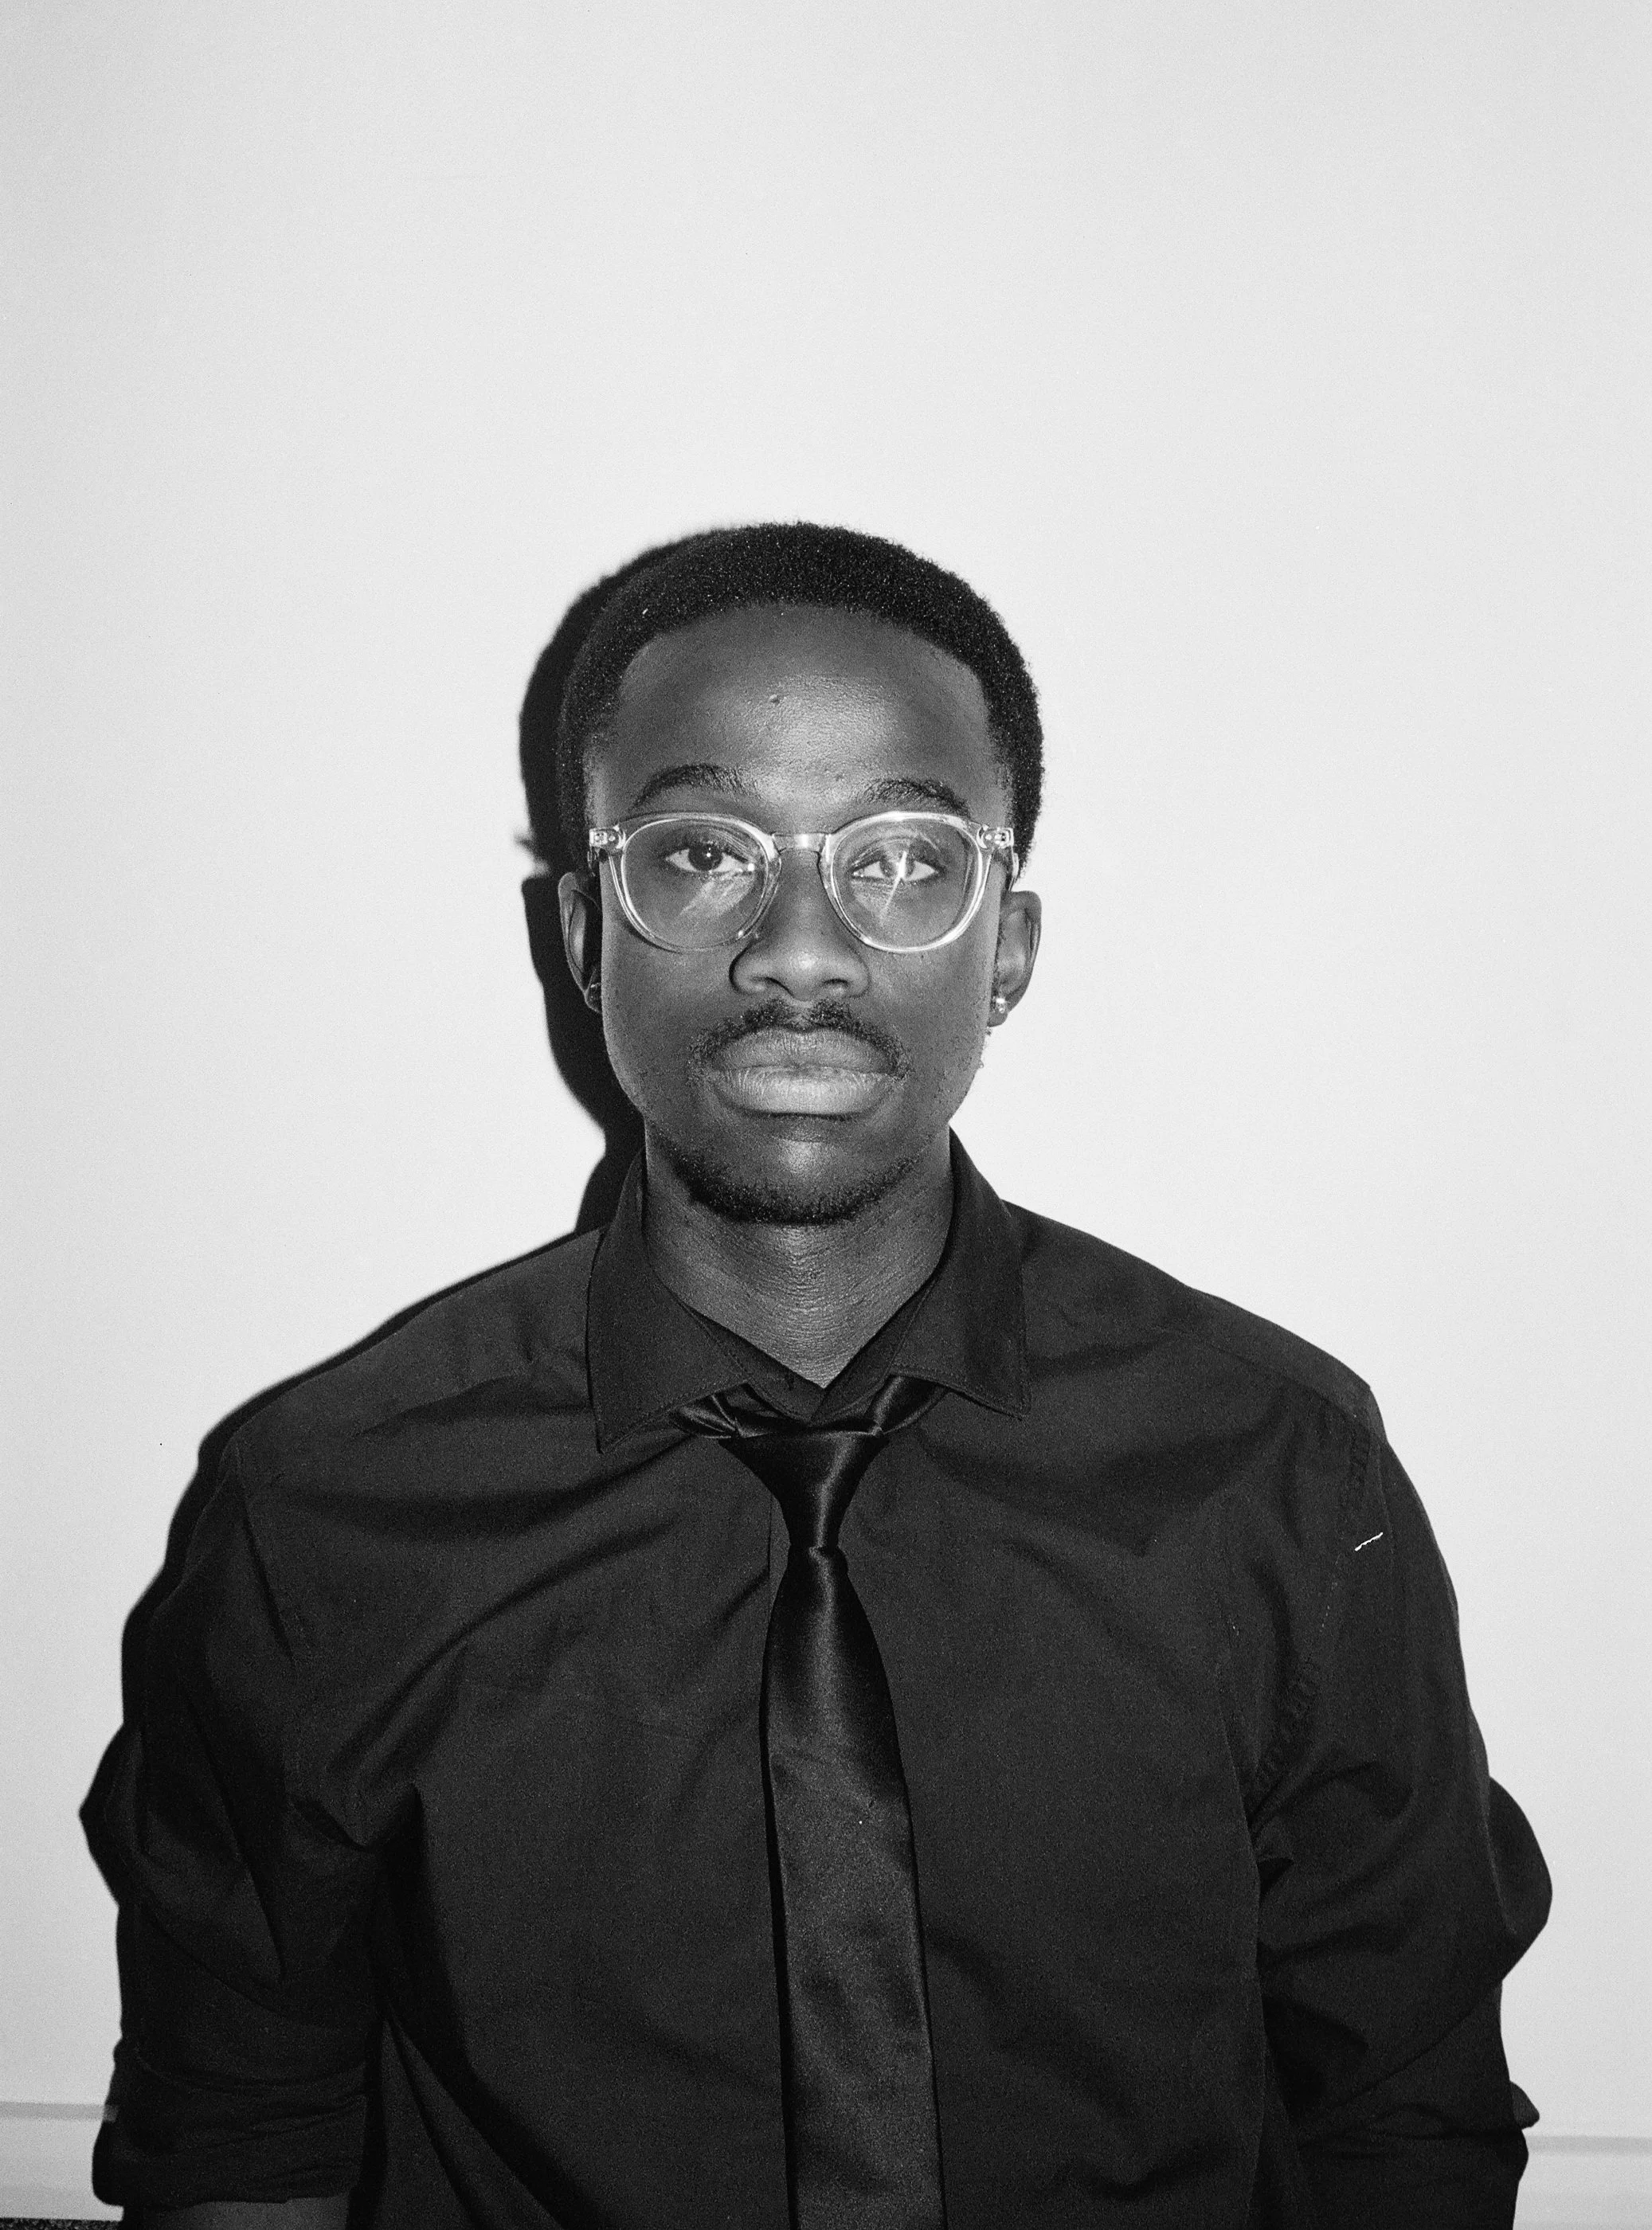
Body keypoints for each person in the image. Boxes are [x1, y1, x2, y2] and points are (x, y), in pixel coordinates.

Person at [86, 522, 1550, 2229]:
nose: (797, 944)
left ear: (1004, 941)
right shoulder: (323, 1511)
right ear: (582, 928)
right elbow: (239, 2137)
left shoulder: (1275, 1473)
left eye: (903, 858)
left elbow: (1400, 2105)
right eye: (700, 851)